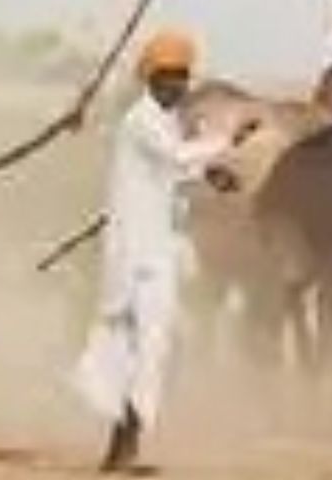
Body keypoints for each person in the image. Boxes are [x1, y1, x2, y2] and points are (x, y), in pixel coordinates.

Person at [72, 29, 238, 474]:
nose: (178, 85)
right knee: (139, 349)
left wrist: (208, 175)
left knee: (149, 351)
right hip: (137, 258)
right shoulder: (142, 120)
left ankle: (125, 449)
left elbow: (169, 172)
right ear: (151, 79)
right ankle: (121, 451)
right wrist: (226, 142)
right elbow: (175, 157)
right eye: (169, 77)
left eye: (182, 77)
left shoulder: (160, 123)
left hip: (152, 253)